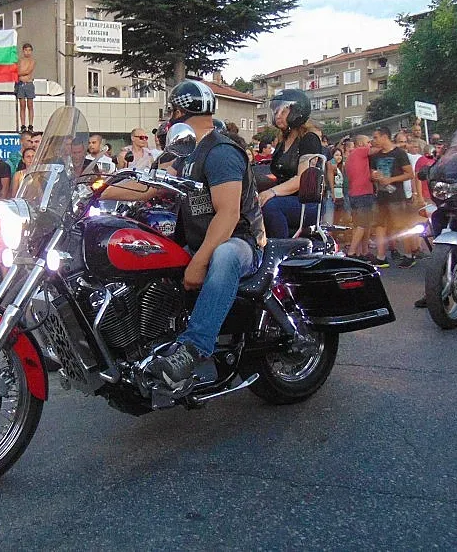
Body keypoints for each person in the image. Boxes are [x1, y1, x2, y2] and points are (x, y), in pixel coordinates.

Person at [109, 80, 265, 388]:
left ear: (179, 112)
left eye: (172, 111)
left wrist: (199, 261)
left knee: (224, 254)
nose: (169, 117)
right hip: (198, 242)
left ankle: (194, 348)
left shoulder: (220, 151)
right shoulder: (187, 153)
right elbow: (149, 187)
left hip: (241, 243)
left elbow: (229, 214)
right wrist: (94, 189)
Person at [257, 89, 322, 237]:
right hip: (286, 198)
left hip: (307, 203)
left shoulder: (309, 139)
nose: (277, 116)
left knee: (270, 206)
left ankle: (282, 248)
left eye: (283, 112)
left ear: (297, 112)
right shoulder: (282, 141)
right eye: (276, 112)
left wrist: (271, 192)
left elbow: (302, 179)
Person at [369, 126, 414, 268]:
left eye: (376, 137)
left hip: (396, 196)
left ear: (384, 137)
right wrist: (374, 176)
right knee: (380, 226)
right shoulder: (375, 156)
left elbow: (410, 174)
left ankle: (409, 255)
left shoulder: (399, 153)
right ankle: (381, 256)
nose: (373, 140)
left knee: (401, 225)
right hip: (381, 195)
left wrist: (391, 180)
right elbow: (372, 173)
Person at [344, 135, 376, 259]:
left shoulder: (350, 157)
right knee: (362, 225)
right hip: (362, 194)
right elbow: (377, 150)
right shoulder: (360, 151)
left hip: (354, 194)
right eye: (368, 142)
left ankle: (363, 251)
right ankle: (352, 253)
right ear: (361, 144)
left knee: (362, 225)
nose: (370, 144)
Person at [16, 43, 36, 132]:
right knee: (22, 105)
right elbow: (16, 69)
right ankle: (23, 125)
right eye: (26, 50)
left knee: (30, 105)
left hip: (28, 83)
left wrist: (19, 73)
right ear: (23, 51)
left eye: (29, 50)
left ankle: (31, 125)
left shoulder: (32, 61)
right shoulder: (20, 61)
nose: (27, 52)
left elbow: (28, 71)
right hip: (20, 84)